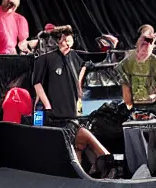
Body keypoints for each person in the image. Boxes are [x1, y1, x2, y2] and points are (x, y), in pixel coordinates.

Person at [33, 26, 108, 171]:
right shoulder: (45, 59)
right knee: (78, 141)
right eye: (63, 41)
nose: (66, 44)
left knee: (77, 147)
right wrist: (47, 105)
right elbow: (37, 83)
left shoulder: (75, 56)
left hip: (71, 112)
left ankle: (92, 166)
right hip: (54, 115)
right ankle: (103, 159)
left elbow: (91, 60)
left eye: (69, 40)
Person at [117, 25, 156, 115]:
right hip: (135, 105)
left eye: (148, 43)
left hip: (151, 104)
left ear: (153, 46)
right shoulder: (126, 63)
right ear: (136, 44)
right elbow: (125, 90)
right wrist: (129, 107)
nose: (144, 49)